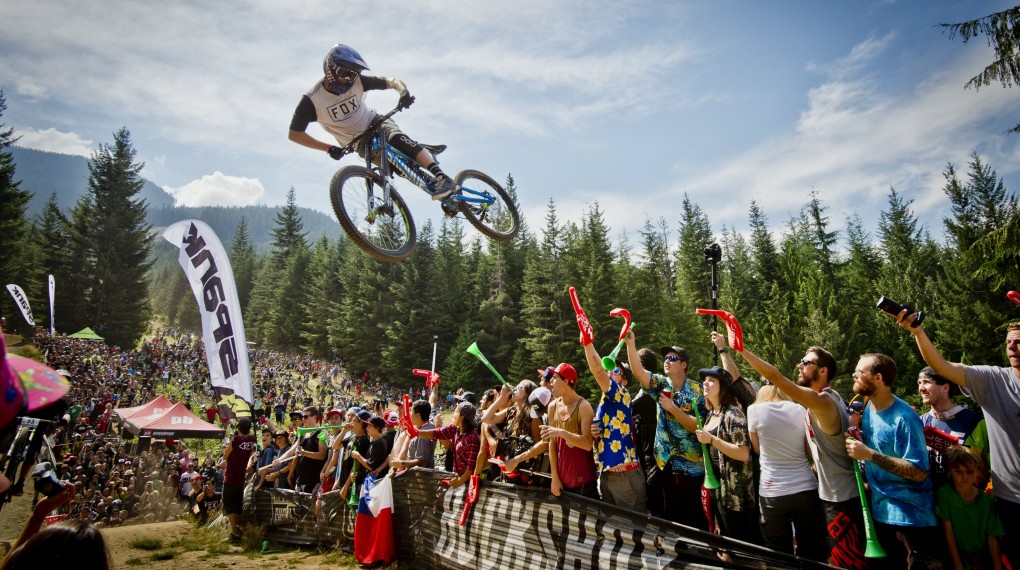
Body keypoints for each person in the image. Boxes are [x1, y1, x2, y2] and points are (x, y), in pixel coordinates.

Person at [889, 313, 1020, 564]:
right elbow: (942, 366)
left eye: (1018, 341)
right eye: (1007, 342)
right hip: (1008, 498)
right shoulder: (993, 380)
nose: (1011, 347)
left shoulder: (969, 421)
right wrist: (918, 331)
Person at [735, 335, 865, 568]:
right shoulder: (826, 399)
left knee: (846, 562)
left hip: (841, 497)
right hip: (830, 493)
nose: (799, 365)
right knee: (819, 556)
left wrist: (741, 350)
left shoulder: (823, 401)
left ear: (823, 370)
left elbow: (775, 378)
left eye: (806, 363)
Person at [288, 43, 459, 202]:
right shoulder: (312, 100)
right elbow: (294, 134)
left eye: (352, 75)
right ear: (330, 69)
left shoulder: (358, 82)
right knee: (400, 169)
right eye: (344, 74)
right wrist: (327, 148)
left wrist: (403, 92)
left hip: (375, 123)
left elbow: (391, 81)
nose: (348, 79)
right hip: (360, 143)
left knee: (396, 138)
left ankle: (443, 178)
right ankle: (431, 178)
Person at [845, 353, 941, 568]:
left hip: (911, 520)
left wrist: (869, 454)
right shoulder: (869, 407)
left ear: (877, 378)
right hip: (881, 513)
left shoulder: (904, 418)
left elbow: (918, 472)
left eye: (859, 372)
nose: (854, 375)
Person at [624, 331, 707, 529]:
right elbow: (638, 372)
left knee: (694, 514)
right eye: (665, 358)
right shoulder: (660, 384)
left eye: (672, 358)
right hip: (666, 462)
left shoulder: (697, 391)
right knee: (672, 513)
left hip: (691, 465)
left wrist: (673, 408)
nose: (666, 361)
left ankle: (701, 553)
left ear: (684, 364)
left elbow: (699, 427)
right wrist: (630, 345)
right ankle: (678, 554)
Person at [746, 384, 828, 562]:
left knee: (778, 551)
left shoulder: (753, 410)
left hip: (773, 489)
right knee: (811, 546)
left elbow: (757, 449)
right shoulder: (799, 409)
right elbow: (808, 448)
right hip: (805, 486)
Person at [581, 340, 646, 512]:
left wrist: (588, 342)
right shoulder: (606, 400)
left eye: (616, 371)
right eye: (610, 369)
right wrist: (596, 434)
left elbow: (597, 370)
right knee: (615, 530)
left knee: (632, 530)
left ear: (624, 381)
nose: (610, 372)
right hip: (608, 472)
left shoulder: (621, 393)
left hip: (624, 474)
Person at [694, 366, 756, 542]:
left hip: (735, 494)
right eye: (705, 380)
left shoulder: (733, 414)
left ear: (723, 387)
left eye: (711, 380)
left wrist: (711, 440)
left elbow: (744, 454)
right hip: (717, 490)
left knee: (740, 544)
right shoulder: (711, 413)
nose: (705, 383)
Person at [936, 445, 1004, 570]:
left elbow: (992, 537)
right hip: (958, 557)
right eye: (958, 471)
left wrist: (997, 567)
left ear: (977, 471)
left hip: (983, 559)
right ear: (949, 470)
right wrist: (958, 565)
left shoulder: (986, 501)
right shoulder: (945, 495)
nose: (964, 477)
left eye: (969, 471)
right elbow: (948, 533)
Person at [918, 366, 982, 490]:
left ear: (945, 387)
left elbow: (983, 468)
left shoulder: (974, 422)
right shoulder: (920, 421)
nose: (921, 388)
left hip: (963, 500)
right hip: (930, 499)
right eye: (919, 383)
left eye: (926, 382)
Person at [539, 363, 597, 499]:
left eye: (554, 378)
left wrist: (561, 433)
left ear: (566, 380)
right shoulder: (552, 406)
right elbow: (552, 444)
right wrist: (554, 477)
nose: (550, 382)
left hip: (584, 482)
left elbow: (588, 444)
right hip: (562, 482)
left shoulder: (584, 406)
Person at [416, 401, 480, 488]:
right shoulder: (455, 428)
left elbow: (471, 468)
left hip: (466, 484)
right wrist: (416, 432)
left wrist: (459, 482)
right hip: (456, 479)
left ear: (461, 417)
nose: (453, 414)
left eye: (456, 412)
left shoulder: (472, 438)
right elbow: (436, 433)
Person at [221, 417, 256, 542]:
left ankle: (235, 533)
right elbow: (252, 453)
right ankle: (238, 530)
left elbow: (225, 456)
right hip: (241, 479)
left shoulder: (235, 440)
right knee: (238, 506)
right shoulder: (252, 440)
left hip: (230, 477)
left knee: (230, 506)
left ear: (239, 428)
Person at [391, 399, 436, 470]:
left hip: (420, 477)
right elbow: (404, 448)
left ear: (418, 415)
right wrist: (394, 468)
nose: (409, 413)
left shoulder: (424, 433)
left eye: (411, 411)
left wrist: (402, 463)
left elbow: (423, 463)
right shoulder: (417, 427)